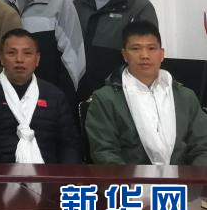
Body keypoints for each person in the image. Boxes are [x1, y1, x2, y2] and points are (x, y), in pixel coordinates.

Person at [85, 21, 207, 165]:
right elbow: (104, 152)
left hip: (183, 178)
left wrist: (192, 177)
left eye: (151, 48)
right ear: (124, 55)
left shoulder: (185, 97)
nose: (144, 55)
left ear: (162, 54)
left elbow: (203, 147)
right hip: (130, 178)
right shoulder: (105, 99)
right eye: (135, 48)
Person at [0, 29, 81, 164]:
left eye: (27, 53)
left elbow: (70, 146)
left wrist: (59, 175)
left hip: (48, 172)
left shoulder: (55, 97)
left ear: (37, 59)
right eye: (11, 53)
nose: (19, 59)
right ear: (1, 58)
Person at [1, 0, 85, 107]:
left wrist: (63, 97)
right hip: (7, 95)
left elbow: (74, 56)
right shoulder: (3, 3)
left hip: (48, 97)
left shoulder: (60, 1)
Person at [74, 0, 159, 101]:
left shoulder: (139, 6)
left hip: (121, 94)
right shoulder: (79, 3)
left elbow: (146, 53)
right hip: (81, 90)